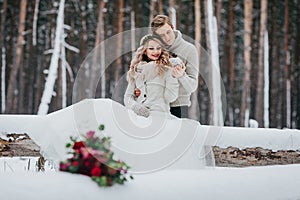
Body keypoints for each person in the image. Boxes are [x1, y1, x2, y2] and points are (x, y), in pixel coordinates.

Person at [150, 15, 199, 118]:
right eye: (161, 35)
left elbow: (192, 86)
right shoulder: (152, 50)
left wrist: (182, 76)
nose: (166, 38)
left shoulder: (189, 50)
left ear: (172, 27)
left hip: (178, 107)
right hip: (155, 106)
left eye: (168, 32)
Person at [124, 34, 179, 118]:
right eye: (151, 48)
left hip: (161, 117)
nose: (156, 52)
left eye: (158, 48)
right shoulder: (136, 71)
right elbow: (128, 97)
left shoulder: (166, 70)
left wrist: (173, 76)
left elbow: (171, 97)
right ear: (145, 50)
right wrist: (136, 107)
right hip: (139, 118)